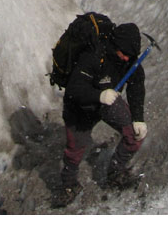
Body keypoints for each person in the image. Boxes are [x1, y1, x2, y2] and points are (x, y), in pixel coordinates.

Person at [55, 22, 147, 206]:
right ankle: (68, 184)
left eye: (131, 55)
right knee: (75, 148)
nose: (127, 58)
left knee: (134, 136)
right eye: (125, 53)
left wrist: (138, 118)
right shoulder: (94, 55)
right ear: (116, 46)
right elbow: (74, 89)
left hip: (107, 102)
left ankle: (115, 172)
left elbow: (136, 89)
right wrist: (99, 95)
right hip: (79, 109)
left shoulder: (129, 60)